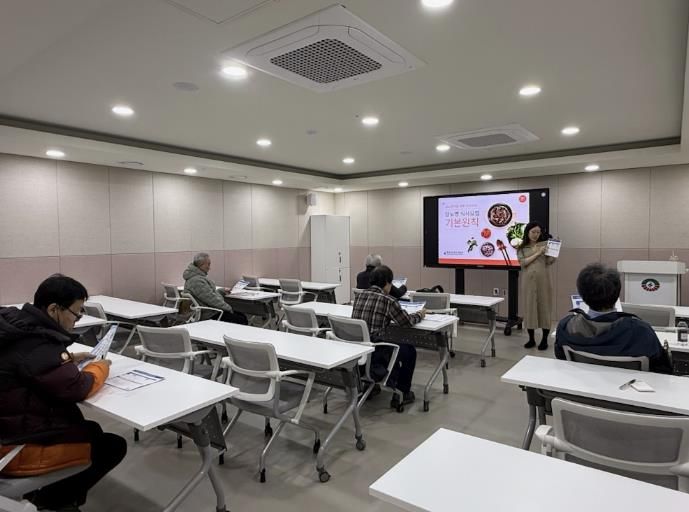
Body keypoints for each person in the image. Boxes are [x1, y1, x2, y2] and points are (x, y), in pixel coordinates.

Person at [0, 274, 127, 512]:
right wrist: (100, 367)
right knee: (112, 446)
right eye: (76, 314)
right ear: (53, 309)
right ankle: (54, 501)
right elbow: (76, 388)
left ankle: (58, 496)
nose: (77, 321)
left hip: (8, 428)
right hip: (13, 446)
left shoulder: (17, 329)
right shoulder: (38, 343)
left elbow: (29, 364)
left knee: (92, 429)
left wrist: (66, 359)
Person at [555, 263, 672, 373]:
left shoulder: (566, 327)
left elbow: (561, 359)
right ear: (617, 293)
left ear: (581, 294)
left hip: (585, 385)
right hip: (630, 387)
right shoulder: (641, 331)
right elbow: (662, 370)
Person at [352, 265, 425, 405]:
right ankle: (403, 392)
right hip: (375, 351)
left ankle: (371, 385)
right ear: (387, 283)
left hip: (358, 350)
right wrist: (420, 314)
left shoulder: (359, 296)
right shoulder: (388, 301)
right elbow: (407, 322)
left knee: (385, 341)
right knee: (409, 351)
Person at [517, 221, 555, 350]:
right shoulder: (522, 248)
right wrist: (538, 253)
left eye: (538, 232)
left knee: (544, 308)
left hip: (543, 282)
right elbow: (523, 263)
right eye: (533, 232)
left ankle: (544, 340)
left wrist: (554, 249)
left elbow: (549, 261)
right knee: (529, 309)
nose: (536, 234)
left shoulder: (544, 245)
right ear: (527, 232)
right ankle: (531, 339)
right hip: (528, 282)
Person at [183, 252, 248, 325]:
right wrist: (228, 308)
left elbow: (207, 295)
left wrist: (221, 291)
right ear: (201, 265)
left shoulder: (196, 278)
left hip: (208, 311)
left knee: (241, 316)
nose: (209, 267)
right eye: (208, 264)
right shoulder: (196, 281)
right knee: (241, 319)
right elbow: (211, 299)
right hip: (209, 314)